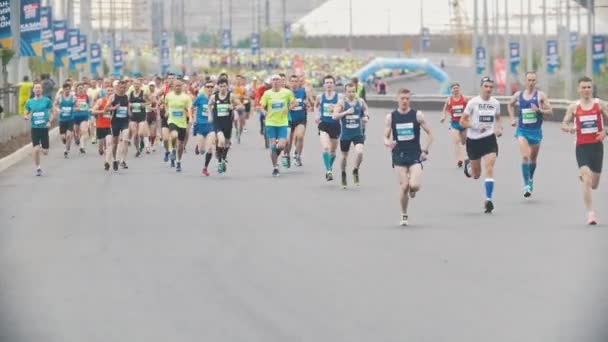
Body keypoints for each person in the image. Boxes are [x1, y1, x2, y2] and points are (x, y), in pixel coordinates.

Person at [560, 76, 608, 225]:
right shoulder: (574, 107)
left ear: (592, 88)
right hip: (581, 147)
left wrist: (605, 132)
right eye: (583, 87)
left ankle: (585, 176)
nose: (586, 90)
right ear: (578, 89)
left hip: (597, 147)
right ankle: (591, 214)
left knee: (594, 184)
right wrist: (569, 128)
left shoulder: (599, 105)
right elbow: (564, 123)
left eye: (589, 87)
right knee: (587, 179)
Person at [383, 88, 433, 226]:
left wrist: (425, 150)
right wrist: (388, 143)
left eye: (407, 98)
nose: (405, 101)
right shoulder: (391, 117)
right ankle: (404, 214)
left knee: (414, 185)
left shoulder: (417, 115)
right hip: (399, 155)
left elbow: (430, 133)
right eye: (402, 98)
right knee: (404, 186)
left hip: (415, 154)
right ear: (397, 99)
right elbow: (385, 136)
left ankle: (413, 189)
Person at [460, 77, 503, 214]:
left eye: (491, 87)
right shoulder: (473, 103)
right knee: (476, 174)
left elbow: (497, 118)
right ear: (481, 87)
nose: (488, 89)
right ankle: (469, 166)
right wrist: (474, 125)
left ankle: (488, 199)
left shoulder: (495, 103)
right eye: (486, 86)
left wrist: (498, 128)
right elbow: (462, 121)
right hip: (473, 141)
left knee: (489, 168)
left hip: (489, 140)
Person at [507, 71, 553, 197]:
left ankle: (530, 178)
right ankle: (526, 184)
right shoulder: (518, 95)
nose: (531, 82)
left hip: (536, 131)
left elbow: (550, 112)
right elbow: (509, 105)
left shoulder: (540, 95)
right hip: (522, 130)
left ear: (536, 81)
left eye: (533, 80)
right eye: (529, 80)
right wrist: (512, 118)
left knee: (533, 159)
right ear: (525, 81)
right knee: (525, 156)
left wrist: (539, 110)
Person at [333, 83, 369, 188]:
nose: (351, 93)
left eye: (353, 91)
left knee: (360, 152)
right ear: (345, 92)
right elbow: (334, 116)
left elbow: (366, 110)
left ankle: (355, 170)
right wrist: (345, 113)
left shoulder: (360, 101)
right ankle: (343, 173)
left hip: (357, 133)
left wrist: (366, 116)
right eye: (349, 91)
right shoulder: (342, 103)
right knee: (344, 156)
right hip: (346, 134)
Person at [260, 74, 295, 177]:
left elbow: (294, 103)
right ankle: (275, 167)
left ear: (281, 82)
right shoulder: (267, 94)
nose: (275, 82)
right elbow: (261, 106)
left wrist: (288, 108)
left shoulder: (287, 92)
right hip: (270, 122)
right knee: (272, 146)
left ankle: (276, 154)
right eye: (273, 80)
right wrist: (263, 112)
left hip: (282, 123)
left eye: (277, 80)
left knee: (281, 145)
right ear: (271, 82)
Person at [208, 78, 241, 174]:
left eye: (224, 86)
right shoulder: (214, 97)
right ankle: (219, 162)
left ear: (227, 86)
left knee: (227, 143)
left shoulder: (231, 96)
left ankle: (223, 158)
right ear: (218, 87)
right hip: (217, 122)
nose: (223, 88)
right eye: (221, 86)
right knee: (221, 141)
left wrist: (233, 107)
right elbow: (209, 105)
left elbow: (240, 105)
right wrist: (210, 115)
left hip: (227, 123)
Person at [24, 84, 55, 176]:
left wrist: (49, 121)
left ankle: (41, 147)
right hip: (35, 128)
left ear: (42, 90)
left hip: (44, 128)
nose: (37, 90)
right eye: (36, 88)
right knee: (36, 149)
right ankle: (38, 168)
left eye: (39, 88)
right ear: (33, 90)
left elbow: (53, 111)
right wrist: (25, 116)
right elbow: (26, 112)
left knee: (45, 152)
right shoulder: (29, 102)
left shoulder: (46, 100)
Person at [315, 75, 342, 181]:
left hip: (335, 125)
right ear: (324, 85)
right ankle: (329, 170)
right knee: (326, 147)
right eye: (327, 82)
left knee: (333, 151)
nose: (329, 84)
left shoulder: (339, 97)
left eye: (331, 82)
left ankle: (329, 168)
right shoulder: (320, 97)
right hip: (324, 124)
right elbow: (316, 106)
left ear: (334, 84)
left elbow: (344, 105)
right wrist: (316, 115)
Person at [164, 78, 192, 172]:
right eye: (176, 86)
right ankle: (173, 150)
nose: (178, 87)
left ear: (182, 87)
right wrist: (167, 111)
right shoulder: (168, 96)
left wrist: (191, 118)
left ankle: (179, 161)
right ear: (173, 87)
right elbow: (166, 104)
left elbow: (189, 108)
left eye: (180, 86)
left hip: (182, 123)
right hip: (172, 120)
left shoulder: (186, 97)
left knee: (180, 145)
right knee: (174, 135)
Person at [192, 79, 216, 176]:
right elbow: (192, 107)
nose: (210, 88)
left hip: (211, 125)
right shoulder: (200, 98)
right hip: (200, 125)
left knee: (210, 149)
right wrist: (193, 118)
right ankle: (199, 146)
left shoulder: (215, 99)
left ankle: (205, 168)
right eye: (208, 87)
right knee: (202, 151)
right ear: (205, 88)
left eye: (211, 87)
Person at [440, 83, 467, 168]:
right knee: (456, 141)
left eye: (457, 88)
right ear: (451, 90)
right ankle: (459, 160)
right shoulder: (449, 100)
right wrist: (443, 117)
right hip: (454, 123)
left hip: (463, 123)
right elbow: (444, 110)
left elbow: (470, 109)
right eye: (454, 88)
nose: (455, 90)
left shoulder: (464, 98)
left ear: (459, 89)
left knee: (463, 141)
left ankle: (465, 151)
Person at [284, 74, 309, 168]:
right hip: (289, 119)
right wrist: (291, 106)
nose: (294, 83)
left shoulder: (302, 91)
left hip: (300, 119)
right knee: (287, 140)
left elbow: (306, 101)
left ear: (298, 82)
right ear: (289, 82)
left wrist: (306, 103)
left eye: (296, 81)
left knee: (300, 136)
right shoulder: (285, 93)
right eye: (292, 81)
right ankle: (287, 155)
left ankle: (298, 156)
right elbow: (283, 108)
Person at [108, 81, 131, 170]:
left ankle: (123, 160)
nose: (122, 89)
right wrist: (113, 108)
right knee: (115, 143)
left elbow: (128, 107)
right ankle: (114, 160)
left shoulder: (126, 96)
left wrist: (129, 112)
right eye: (121, 87)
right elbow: (106, 108)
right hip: (115, 122)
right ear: (117, 87)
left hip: (124, 122)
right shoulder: (113, 97)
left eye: (124, 88)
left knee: (125, 140)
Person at [91, 85, 115, 170]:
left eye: (111, 91)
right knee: (101, 147)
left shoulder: (115, 102)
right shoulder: (101, 101)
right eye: (108, 91)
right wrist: (102, 111)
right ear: (105, 92)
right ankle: (100, 150)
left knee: (108, 144)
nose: (110, 92)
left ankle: (107, 162)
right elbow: (93, 111)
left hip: (110, 126)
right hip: (100, 126)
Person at [54, 83, 75, 158]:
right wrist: (57, 109)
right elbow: (55, 105)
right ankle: (66, 143)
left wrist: (76, 108)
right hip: (62, 119)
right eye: (65, 89)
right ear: (63, 90)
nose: (67, 91)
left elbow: (77, 105)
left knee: (69, 135)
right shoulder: (59, 97)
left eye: (68, 89)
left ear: (70, 89)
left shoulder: (73, 97)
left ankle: (66, 150)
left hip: (70, 119)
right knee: (63, 137)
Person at [72, 83, 92, 154]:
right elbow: (71, 107)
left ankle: (82, 147)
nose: (81, 90)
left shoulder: (86, 97)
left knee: (84, 131)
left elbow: (89, 106)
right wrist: (76, 108)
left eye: (82, 88)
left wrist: (88, 110)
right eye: (79, 88)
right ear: (76, 90)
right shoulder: (74, 97)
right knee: (77, 132)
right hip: (75, 117)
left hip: (84, 116)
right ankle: (76, 138)